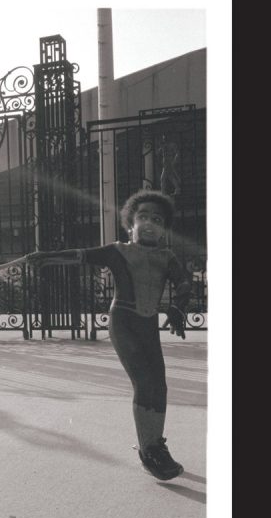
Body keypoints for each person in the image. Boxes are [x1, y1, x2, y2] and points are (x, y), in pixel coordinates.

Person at [27, 190, 192, 481]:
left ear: (164, 228)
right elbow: (82, 256)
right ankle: (148, 451)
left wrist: (178, 307)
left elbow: (184, 283)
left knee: (160, 386)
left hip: (148, 324)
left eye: (157, 218)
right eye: (143, 217)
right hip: (124, 322)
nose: (150, 222)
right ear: (130, 224)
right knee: (143, 382)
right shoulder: (119, 251)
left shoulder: (167, 257)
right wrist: (47, 257)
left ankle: (157, 444)